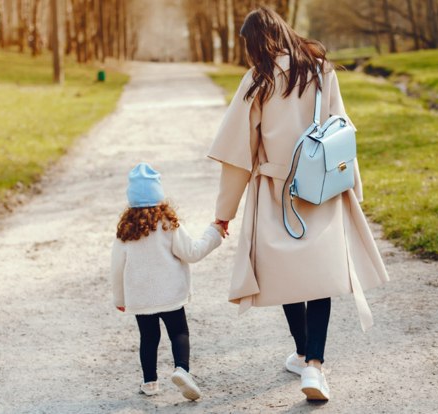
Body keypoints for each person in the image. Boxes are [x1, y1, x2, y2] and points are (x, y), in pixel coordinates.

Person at [208, 6, 389, 402]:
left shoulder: (258, 80)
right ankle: (314, 365)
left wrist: (224, 213)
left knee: (288, 274)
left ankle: (305, 353)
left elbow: (237, 156)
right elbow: (342, 128)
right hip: (322, 185)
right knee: (319, 277)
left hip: (276, 189)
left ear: (256, 42)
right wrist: (352, 187)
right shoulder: (320, 69)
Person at [110, 163, 225, 400]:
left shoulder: (125, 231)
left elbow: (116, 268)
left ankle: (150, 383)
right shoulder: (168, 224)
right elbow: (192, 252)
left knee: (148, 338)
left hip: (141, 298)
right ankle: (182, 369)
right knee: (179, 333)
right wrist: (213, 233)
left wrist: (121, 299)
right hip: (171, 294)